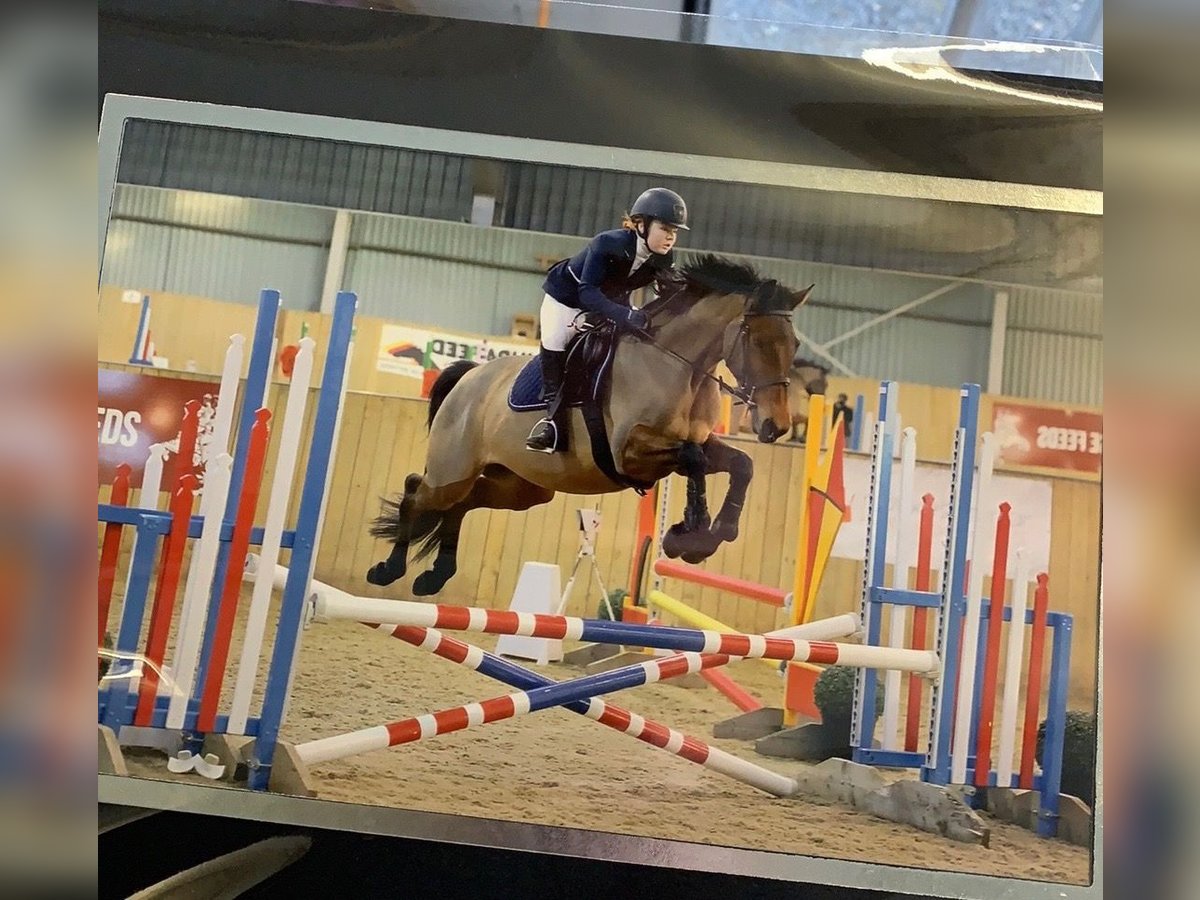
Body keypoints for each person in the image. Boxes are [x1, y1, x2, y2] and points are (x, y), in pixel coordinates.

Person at [525, 187, 689, 453]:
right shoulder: (608, 243)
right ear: (641, 224)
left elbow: (669, 292)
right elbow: (587, 292)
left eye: (675, 231)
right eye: (664, 228)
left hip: (609, 300)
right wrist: (626, 314)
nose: (670, 236)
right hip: (567, 300)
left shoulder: (664, 257)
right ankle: (553, 426)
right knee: (555, 346)